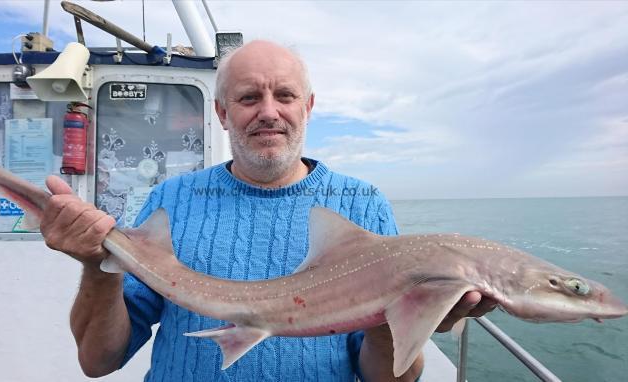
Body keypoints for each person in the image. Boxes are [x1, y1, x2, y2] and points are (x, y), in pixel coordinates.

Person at [40, 40, 495, 382]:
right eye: (249, 98)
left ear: (309, 107)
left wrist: (399, 316)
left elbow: (388, 377)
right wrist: (100, 267)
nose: (269, 112)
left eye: (285, 95)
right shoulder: (172, 198)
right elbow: (98, 361)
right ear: (221, 113)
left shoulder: (361, 203)